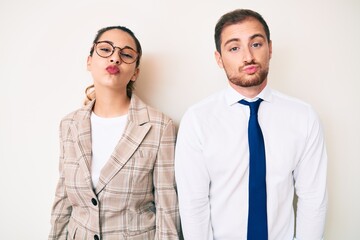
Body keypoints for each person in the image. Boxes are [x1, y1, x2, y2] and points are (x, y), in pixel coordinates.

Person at [175, 9, 327, 240]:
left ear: (270, 48)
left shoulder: (303, 117)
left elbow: (313, 198)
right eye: (234, 48)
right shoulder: (197, 120)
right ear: (219, 58)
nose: (247, 56)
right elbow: (193, 204)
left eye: (256, 44)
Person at [49, 26, 182, 239]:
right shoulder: (69, 124)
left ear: (135, 73)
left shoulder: (159, 126)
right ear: (89, 61)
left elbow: (167, 207)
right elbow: (64, 198)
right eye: (105, 50)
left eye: (126, 54)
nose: (115, 58)